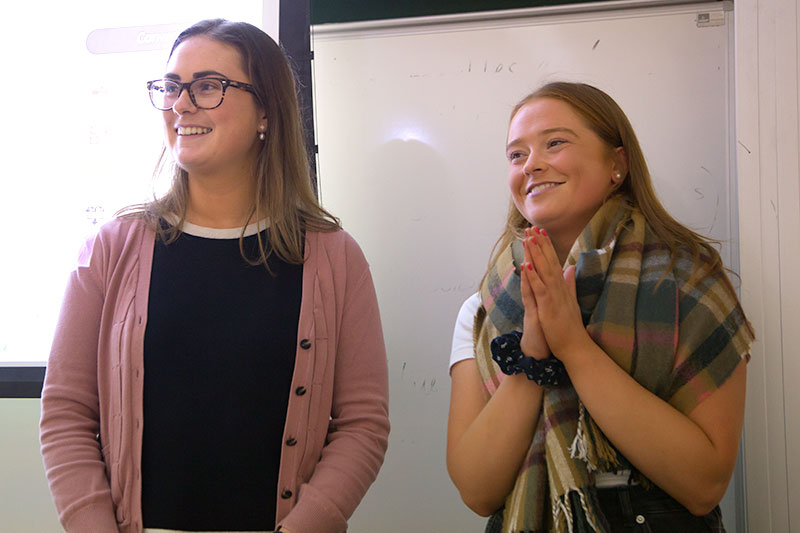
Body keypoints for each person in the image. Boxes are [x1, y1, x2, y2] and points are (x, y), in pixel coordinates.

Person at [40, 19, 389, 533]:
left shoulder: (335, 257)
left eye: (207, 86)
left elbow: (362, 425)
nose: (181, 104)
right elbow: (67, 413)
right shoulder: (110, 248)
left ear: (266, 110)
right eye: (172, 87)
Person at [446, 81, 753, 532]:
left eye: (554, 142)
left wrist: (573, 346)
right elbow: (477, 491)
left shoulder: (690, 284)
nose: (532, 164)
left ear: (617, 163)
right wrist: (533, 350)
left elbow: (704, 484)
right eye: (517, 154)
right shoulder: (484, 310)